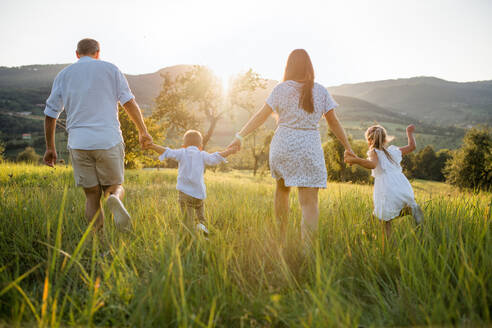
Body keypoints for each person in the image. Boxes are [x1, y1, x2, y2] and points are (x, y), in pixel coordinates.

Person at [228, 49, 353, 242]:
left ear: (289, 67)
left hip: (283, 146)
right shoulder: (320, 91)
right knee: (309, 202)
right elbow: (334, 122)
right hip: (308, 148)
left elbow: (261, 115)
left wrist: (240, 136)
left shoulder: (281, 89)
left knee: (282, 191)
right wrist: (348, 147)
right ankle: (308, 251)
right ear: (309, 66)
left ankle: (281, 239)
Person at [43, 38, 153, 230]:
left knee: (92, 196)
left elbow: (50, 114)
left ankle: (98, 245)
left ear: (77, 54)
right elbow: (129, 103)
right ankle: (114, 198)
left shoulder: (64, 75)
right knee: (113, 187)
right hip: (108, 140)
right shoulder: (110, 69)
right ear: (98, 53)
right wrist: (142, 131)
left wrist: (50, 147)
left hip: (79, 144)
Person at [148, 130, 238, 234]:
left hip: (185, 194)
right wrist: (229, 151)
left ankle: (190, 237)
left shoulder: (181, 152)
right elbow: (215, 158)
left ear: (184, 145)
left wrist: (152, 146)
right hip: (199, 194)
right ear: (200, 146)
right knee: (201, 218)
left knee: (188, 222)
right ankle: (202, 230)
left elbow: (167, 152)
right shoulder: (202, 154)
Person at [344, 124, 424, 237]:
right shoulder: (393, 151)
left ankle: (382, 243)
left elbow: (372, 164)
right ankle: (411, 209)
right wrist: (409, 132)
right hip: (401, 186)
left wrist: (356, 160)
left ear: (369, 140)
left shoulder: (374, 152)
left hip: (387, 188)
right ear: (385, 139)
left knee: (385, 220)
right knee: (386, 213)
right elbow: (411, 147)